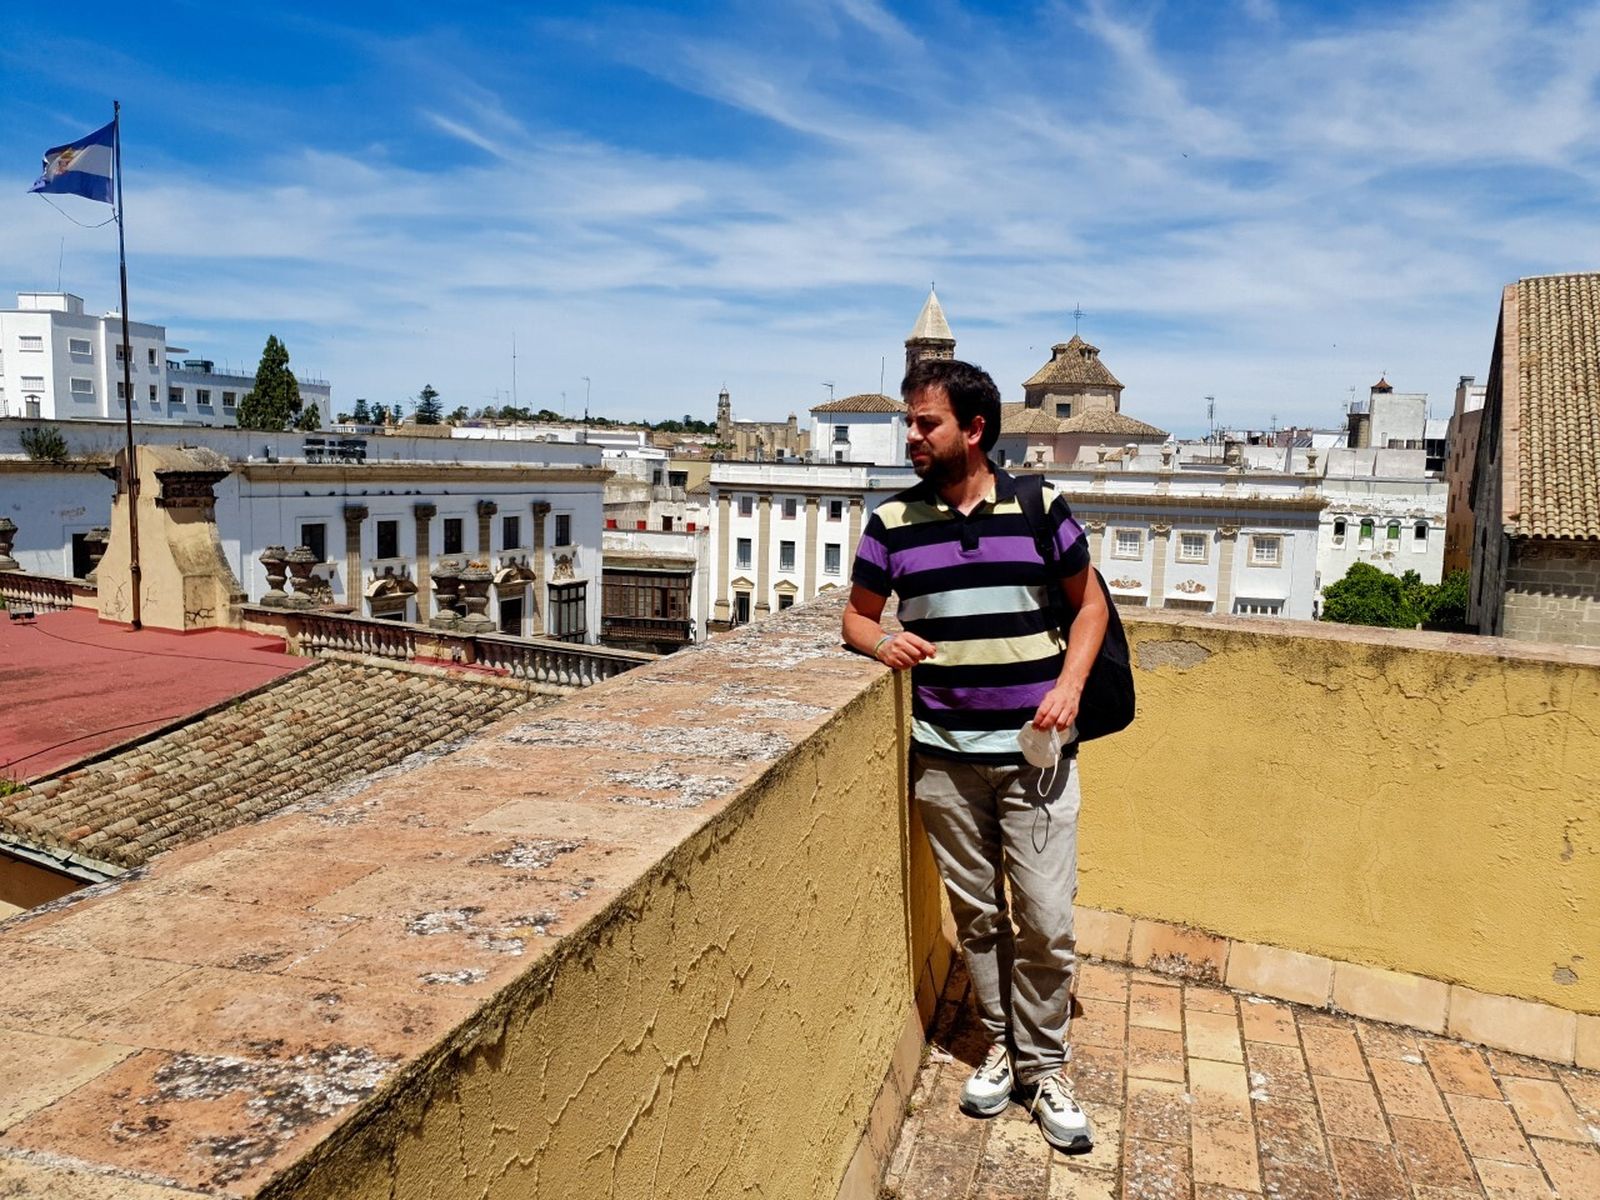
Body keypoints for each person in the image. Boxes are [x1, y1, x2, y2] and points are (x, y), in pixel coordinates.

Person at [841, 357, 1109, 1152]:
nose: (913, 436)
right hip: (944, 759)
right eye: (910, 421)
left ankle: (1046, 1064)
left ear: (975, 428)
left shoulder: (1038, 505)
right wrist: (883, 640)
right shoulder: (892, 522)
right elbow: (854, 618)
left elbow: (1088, 607)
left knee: (1049, 922)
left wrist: (1067, 688)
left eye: (927, 423)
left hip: (1036, 758)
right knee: (981, 918)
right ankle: (1007, 1048)